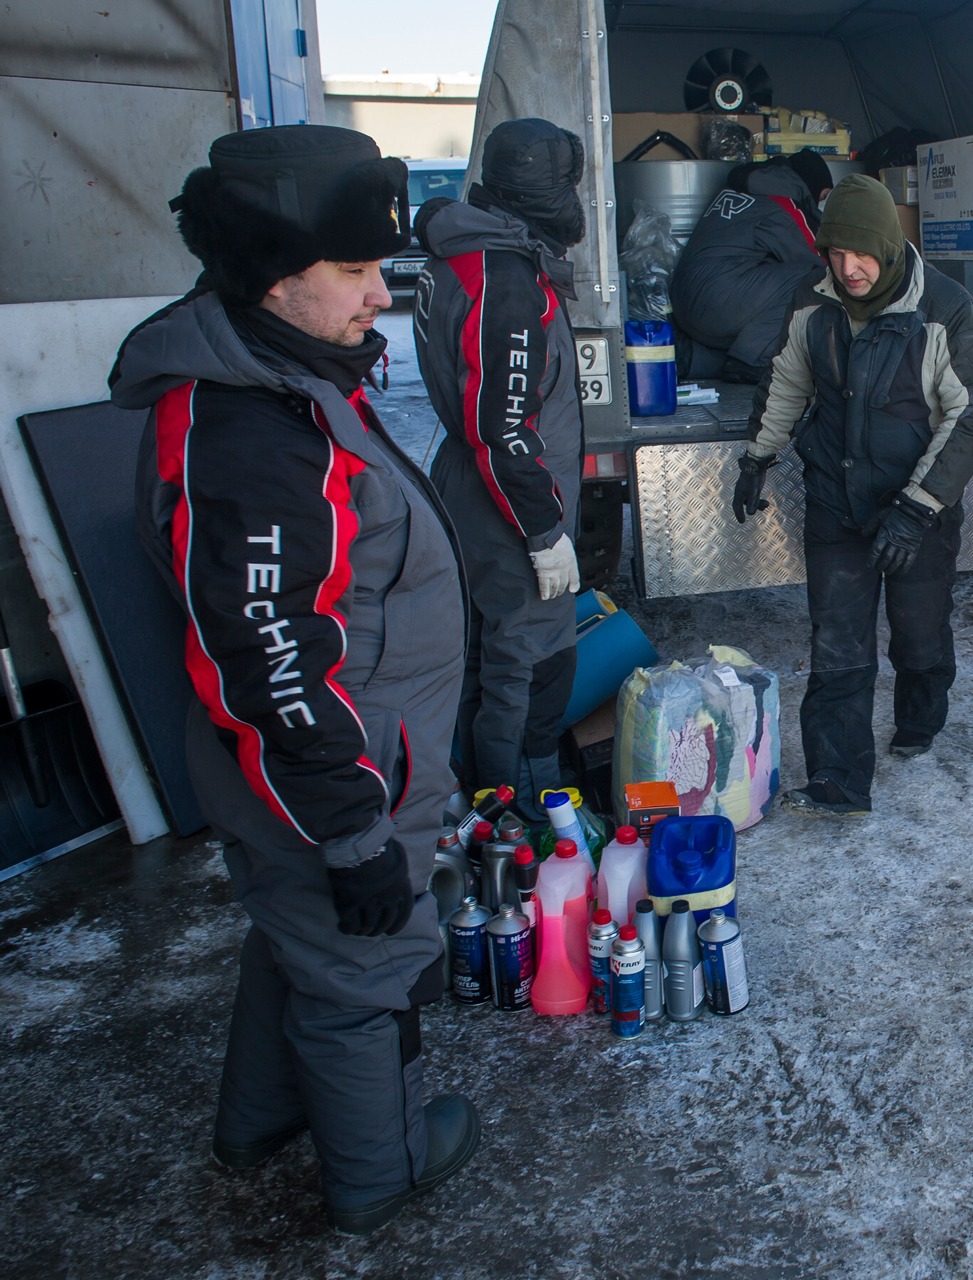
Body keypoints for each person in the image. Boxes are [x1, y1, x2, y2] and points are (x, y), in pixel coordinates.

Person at [110, 124, 476, 1233]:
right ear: (276, 276)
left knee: (297, 934)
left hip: (336, 758)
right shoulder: (253, 431)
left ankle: (258, 1120)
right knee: (363, 962)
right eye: (355, 269)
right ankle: (382, 1170)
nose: (382, 296)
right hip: (331, 769)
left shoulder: (285, 374)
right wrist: (352, 829)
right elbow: (269, 655)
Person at [732, 174, 973, 815]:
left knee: (919, 635)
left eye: (861, 253)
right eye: (835, 253)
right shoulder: (813, 299)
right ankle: (838, 777)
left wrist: (917, 508)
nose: (848, 268)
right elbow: (787, 381)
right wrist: (758, 457)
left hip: (918, 509)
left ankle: (920, 715)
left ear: (887, 244)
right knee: (837, 641)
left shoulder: (945, 307)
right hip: (836, 499)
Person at [413, 118, 586, 818]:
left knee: (483, 651)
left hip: (470, 480)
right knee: (532, 659)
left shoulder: (468, 251)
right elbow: (503, 427)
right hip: (509, 498)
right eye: (566, 185)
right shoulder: (504, 277)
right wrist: (543, 531)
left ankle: (482, 791)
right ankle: (524, 808)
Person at [670, 152, 834, 383]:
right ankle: (753, 361)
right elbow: (819, 260)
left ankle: (694, 358)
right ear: (811, 186)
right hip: (716, 301)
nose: (819, 203)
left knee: (771, 286)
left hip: (683, 305)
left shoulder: (739, 191)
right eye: (823, 196)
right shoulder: (781, 201)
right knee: (818, 279)